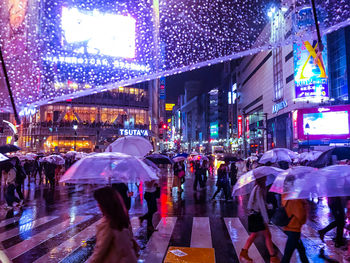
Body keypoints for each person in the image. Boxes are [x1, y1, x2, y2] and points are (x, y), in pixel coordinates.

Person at [88, 187, 139, 263]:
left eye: (99, 202)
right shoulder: (122, 218)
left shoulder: (108, 224)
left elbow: (99, 252)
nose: (98, 205)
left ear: (105, 204)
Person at [239, 176, 279, 263]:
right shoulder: (259, 189)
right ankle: (273, 257)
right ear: (261, 179)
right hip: (258, 216)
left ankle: (244, 253)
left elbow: (260, 203)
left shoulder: (258, 188)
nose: (266, 179)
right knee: (263, 235)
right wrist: (266, 219)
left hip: (256, 215)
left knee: (260, 235)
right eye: (264, 178)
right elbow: (260, 205)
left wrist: (269, 206)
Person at [281, 175, 309, 263]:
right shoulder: (295, 198)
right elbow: (300, 215)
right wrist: (304, 205)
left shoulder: (284, 195)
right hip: (294, 229)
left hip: (288, 226)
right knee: (287, 256)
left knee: (301, 250)